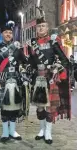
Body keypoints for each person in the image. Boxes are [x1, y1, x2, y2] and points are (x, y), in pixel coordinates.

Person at [27, 6, 71, 144]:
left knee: (50, 107)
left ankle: (48, 132)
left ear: (47, 28)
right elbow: (31, 62)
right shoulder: (32, 43)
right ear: (36, 28)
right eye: (39, 26)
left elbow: (64, 59)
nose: (41, 28)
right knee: (40, 107)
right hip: (38, 79)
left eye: (43, 26)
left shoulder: (53, 40)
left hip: (50, 78)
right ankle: (41, 130)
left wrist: (57, 68)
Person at [0, 21, 27, 143]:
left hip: (15, 80)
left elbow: (25, 62)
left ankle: (13, 131)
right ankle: (5, 132)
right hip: (2, 80)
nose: (8, 34)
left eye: (10, 32)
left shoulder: (17, 48)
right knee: (4, 107)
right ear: (2, 34)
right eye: (6, 32)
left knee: (15, 106)